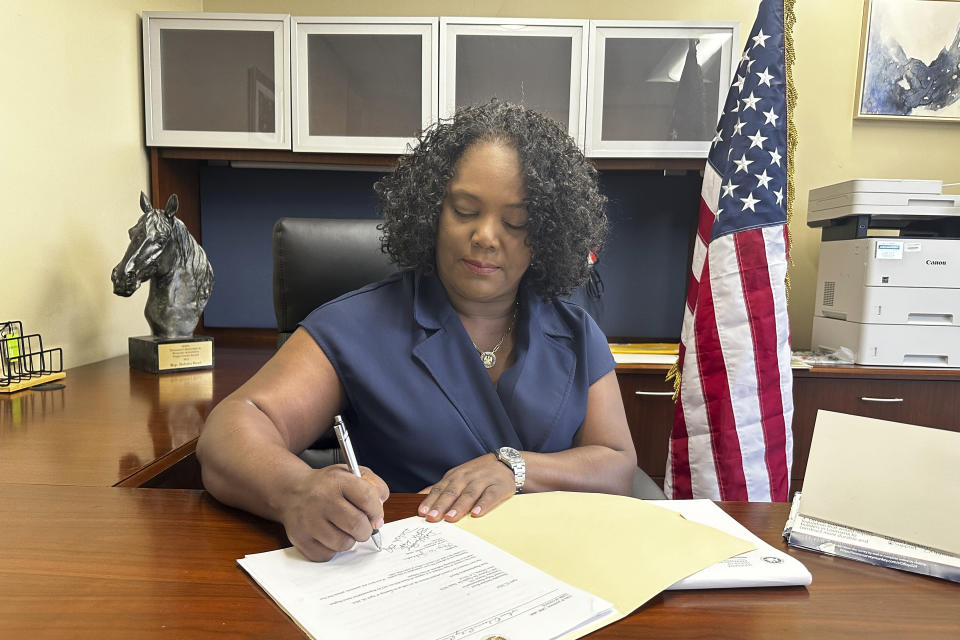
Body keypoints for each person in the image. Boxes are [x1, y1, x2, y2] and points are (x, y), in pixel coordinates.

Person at [196, 100, 637, 562]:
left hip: (557, 571)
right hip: (412, 577)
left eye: (516, 221)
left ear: (546, 233)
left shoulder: (575, 332)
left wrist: (517, 468)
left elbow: (617, 465)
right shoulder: (356, 325)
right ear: (432, 213)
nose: (487, 236)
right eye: (465, 210)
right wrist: (295, 489)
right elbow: (231, 430)